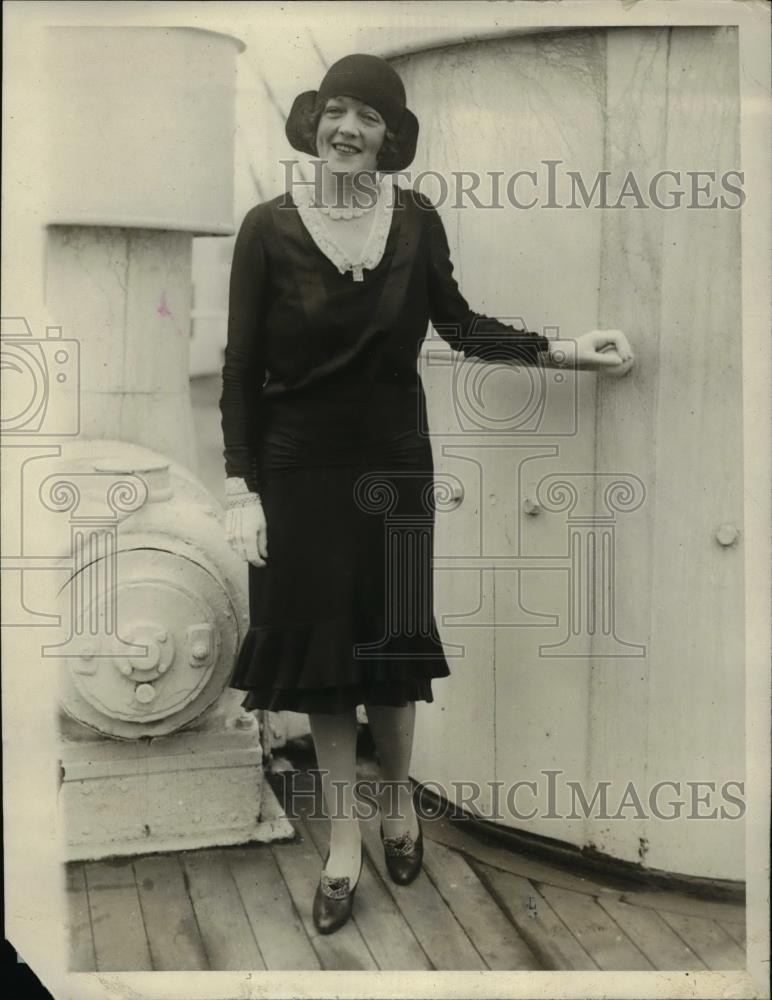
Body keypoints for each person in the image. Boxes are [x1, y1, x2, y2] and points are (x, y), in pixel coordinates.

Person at [220, 53, 634, 935]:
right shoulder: (265, 228)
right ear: (314, 122)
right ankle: (340, 840)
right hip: (296, 472)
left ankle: (399, 805)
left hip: (395, 462)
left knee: (394, 651)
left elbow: (459, 324)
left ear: (390, 137)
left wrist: (562, 350)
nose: (349, 130)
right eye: (336, 110)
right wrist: (240, 488)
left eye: (369, 117)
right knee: (327, 669)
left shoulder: (415, 221)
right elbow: (239, 368)